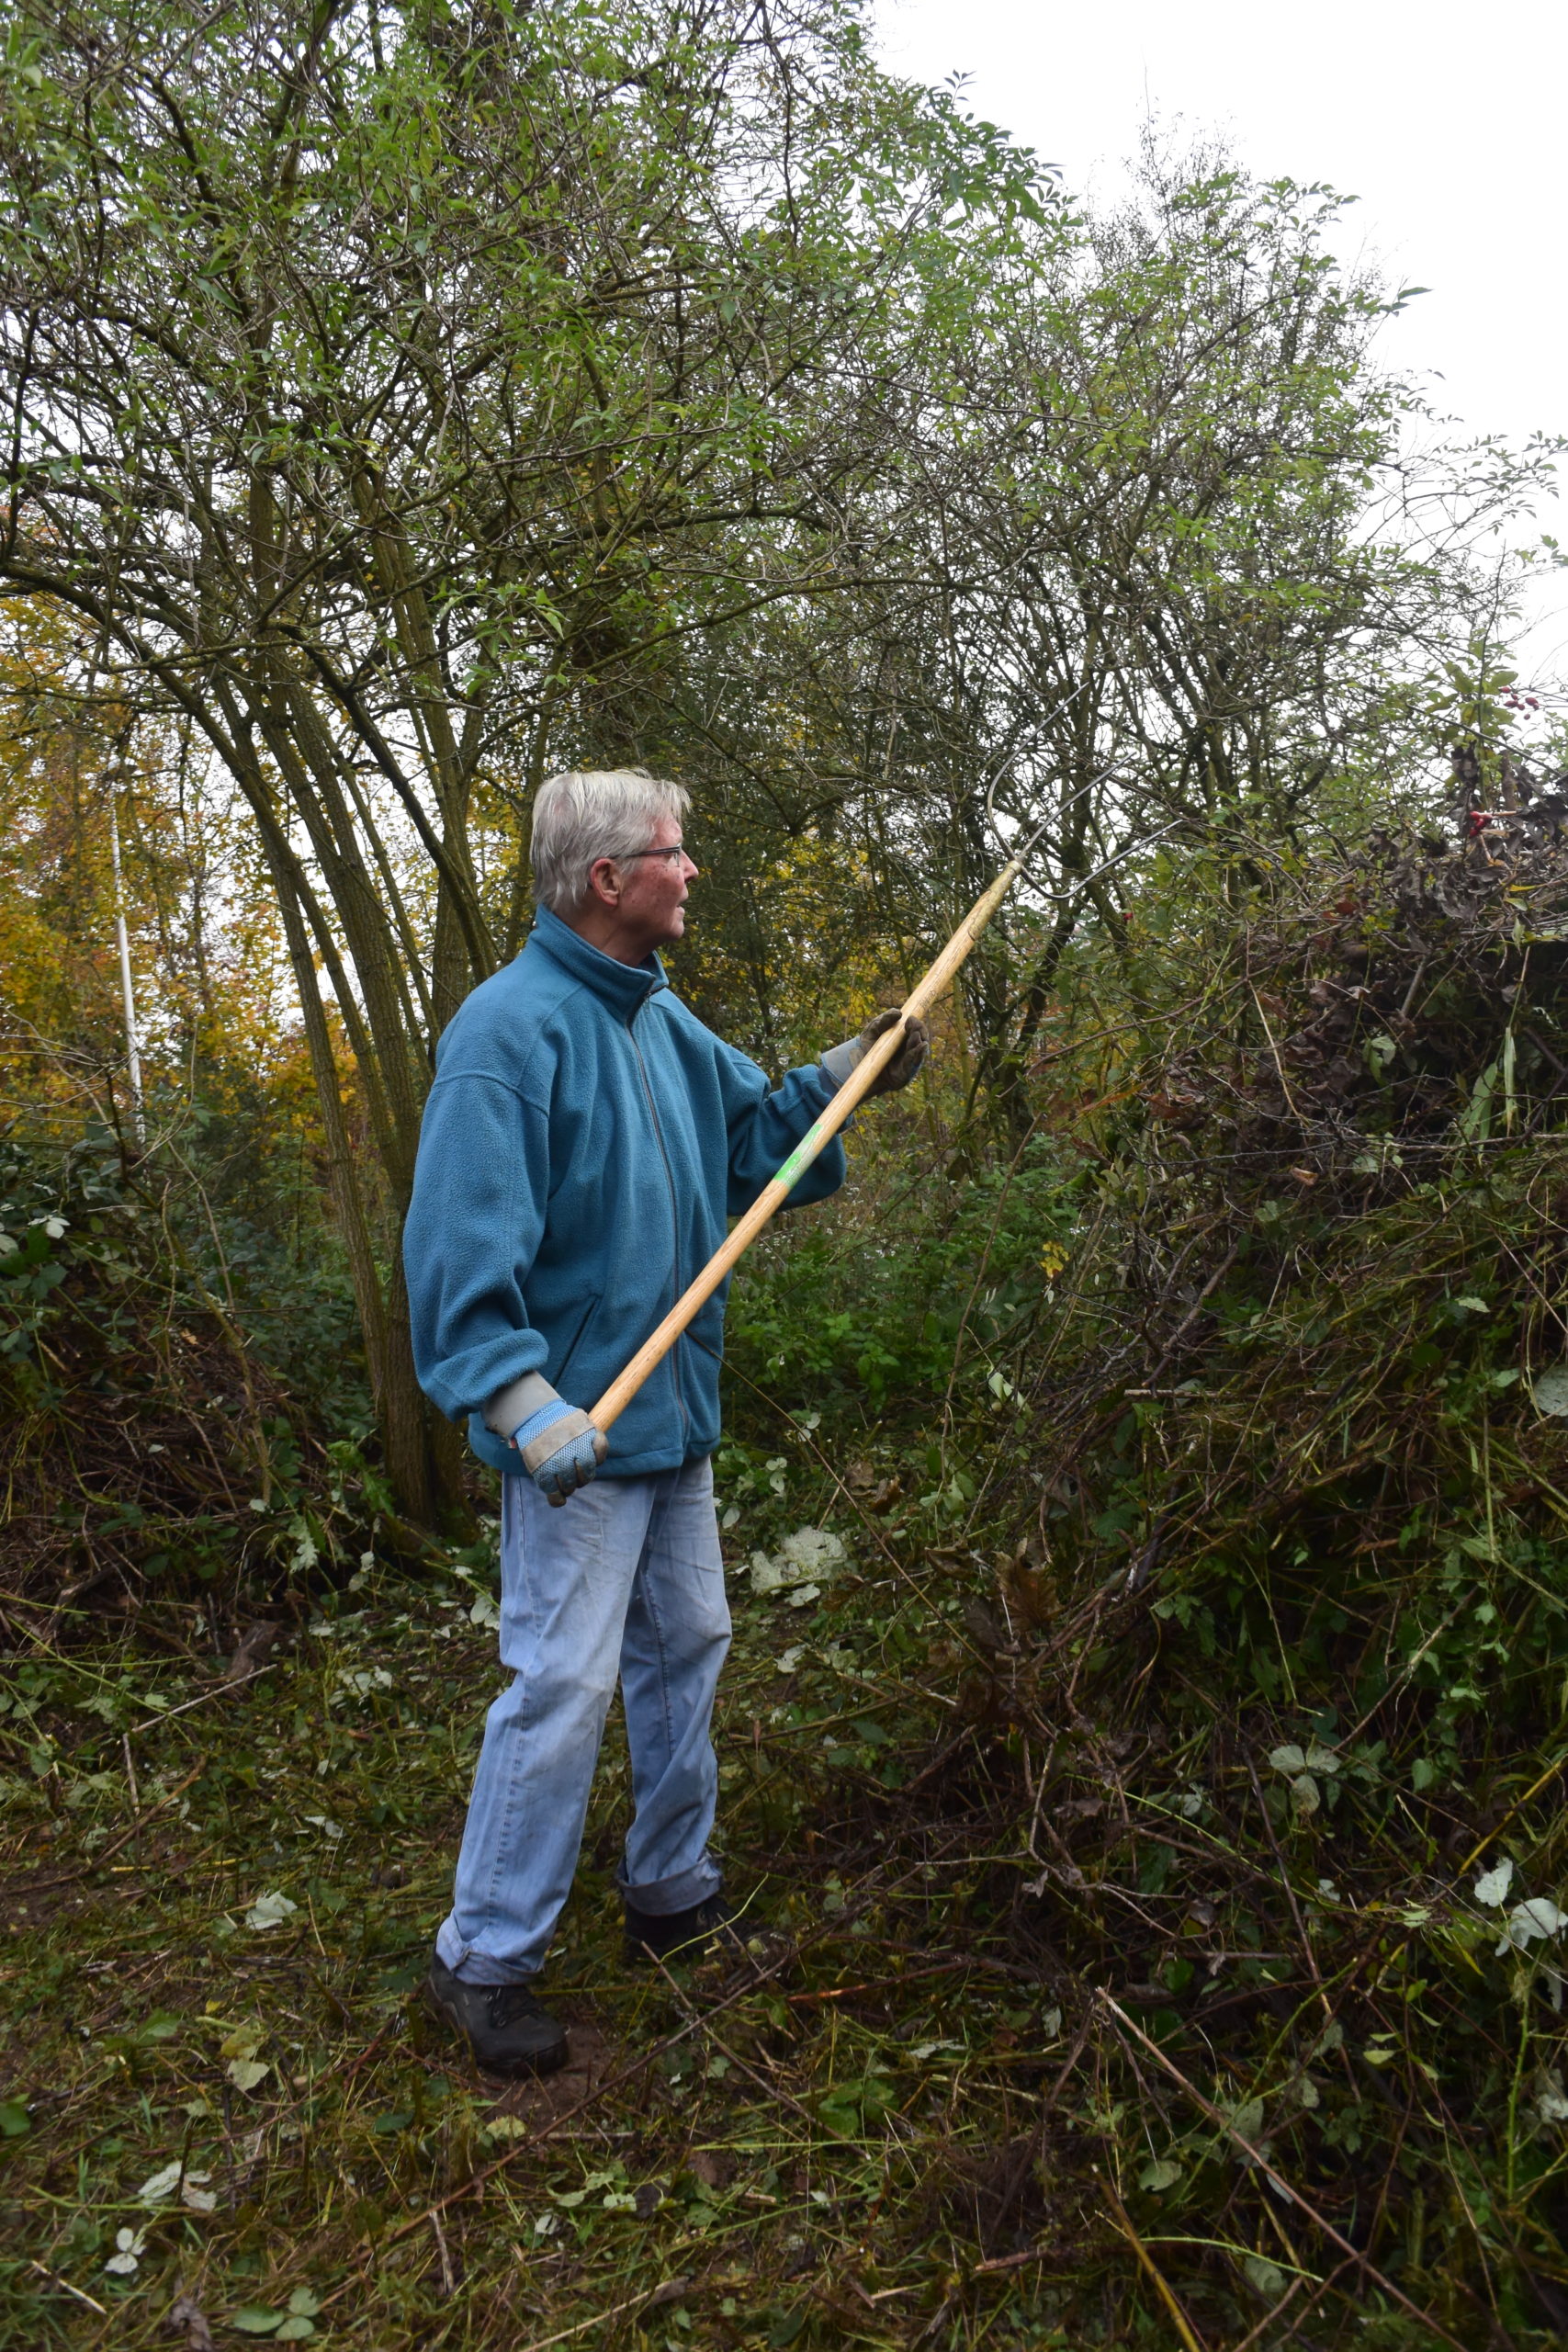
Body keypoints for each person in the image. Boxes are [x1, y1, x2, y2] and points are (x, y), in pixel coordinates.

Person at [403, 769, 926, 2075]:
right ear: (607, 881)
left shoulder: (663, 1026)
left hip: (672, 1417)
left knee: (690, 1639)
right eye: (674, 855)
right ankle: (483, 1958)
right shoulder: (506, 1035)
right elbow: (456, 1258)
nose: (692, 873)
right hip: (575, 1446)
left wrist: (854, 1073)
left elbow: (762, 1146)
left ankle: (670, 1888)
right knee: (564, 1684)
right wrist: (525, 1404)